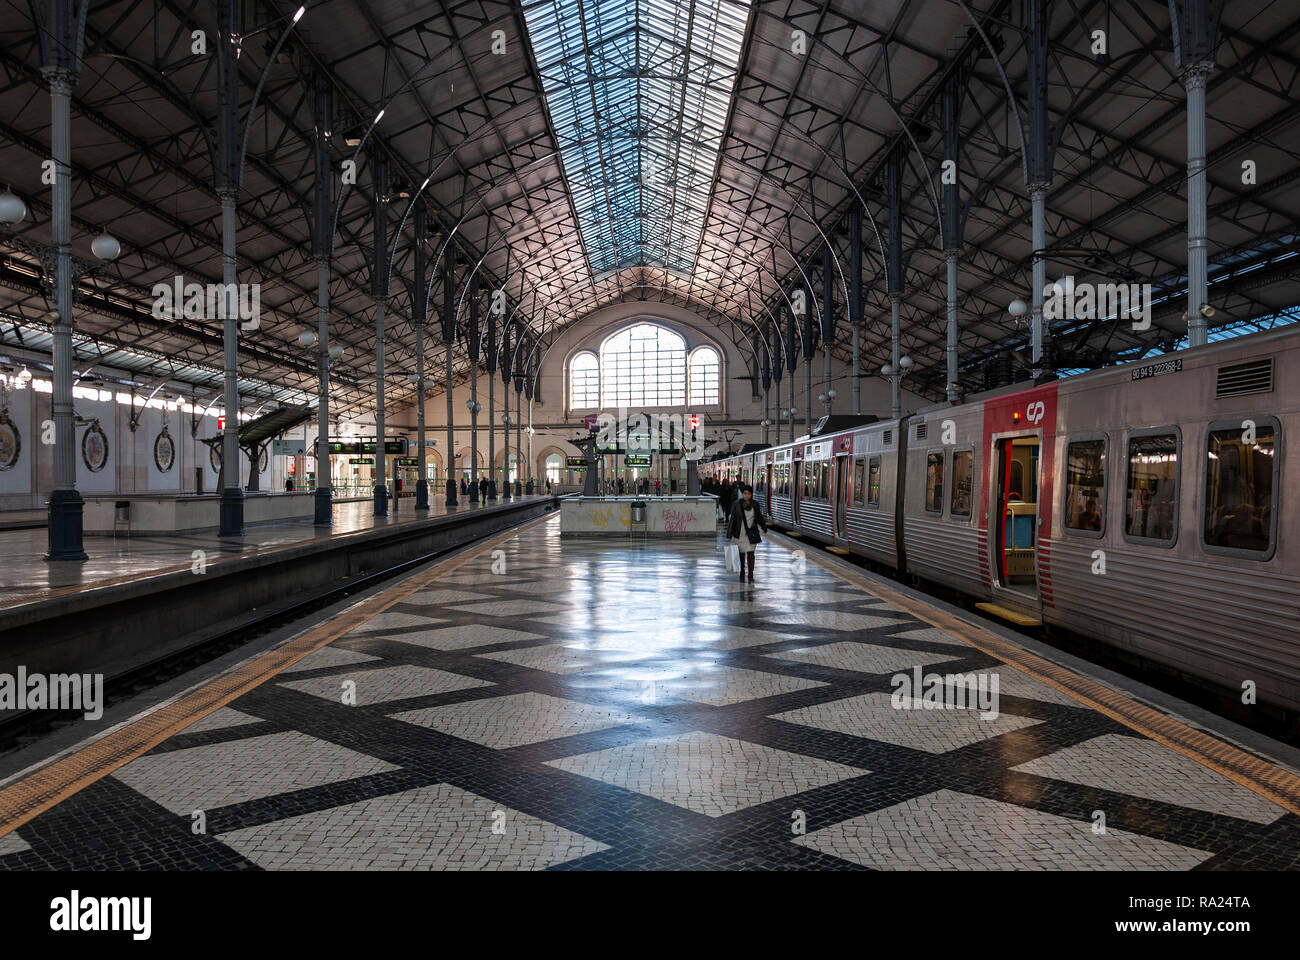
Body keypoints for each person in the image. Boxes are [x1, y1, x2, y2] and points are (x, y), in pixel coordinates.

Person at [726, 483, 767, 584]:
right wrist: (729, 534)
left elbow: (759, 517)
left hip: (751, 533)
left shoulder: (755, 504)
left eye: (748, 494)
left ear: (751, 494)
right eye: (744, 493)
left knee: (751, 554)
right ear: (742, 494)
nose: (746, 496)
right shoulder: (736, 504)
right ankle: (742, 572)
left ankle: (750, 574)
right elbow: (733, 519)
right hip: (740, 533)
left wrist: (764, 527)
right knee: (741, 554)